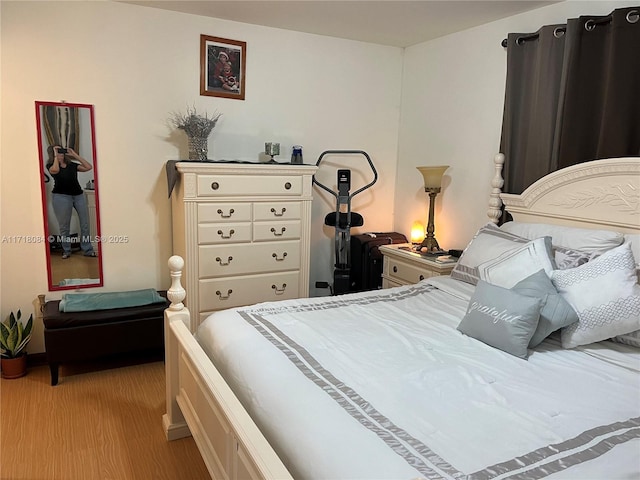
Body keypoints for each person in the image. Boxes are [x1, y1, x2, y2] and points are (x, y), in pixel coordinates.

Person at [46, 145, 97, 259]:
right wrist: (55, 156)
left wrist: (74, 155)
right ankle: (66, 250)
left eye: (61, 150)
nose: (61, 153)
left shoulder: (71, 165)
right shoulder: (50, 165)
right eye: (58, 151)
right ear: (53, 153)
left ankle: (87, 250)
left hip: (78, 195)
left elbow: (88, 167)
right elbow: (55, 170)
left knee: (85, 224)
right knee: (64, 226)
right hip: (61, 197)